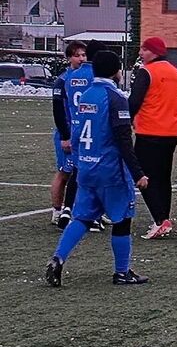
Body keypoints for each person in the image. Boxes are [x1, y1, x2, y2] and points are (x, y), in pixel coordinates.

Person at [44, 51, 150, 287]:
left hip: (86, 168)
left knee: (81, 218)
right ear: (116, 71)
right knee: (122, 219)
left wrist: (80, 161)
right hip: (110, 170)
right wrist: (138, 173)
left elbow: (76, 131)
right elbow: (123, 139)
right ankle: (122, 272)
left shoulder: (87, 95)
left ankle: (58, 258)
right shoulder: (116, 97)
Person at [129, 36, 177, 239]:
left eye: (144, 49)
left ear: (154, 52)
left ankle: (161, 220)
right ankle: (163, 218)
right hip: (171, 131)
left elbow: (134, 101)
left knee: (142, 176)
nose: (140, 53)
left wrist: (127, 120)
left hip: (149, 130)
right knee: (163, 177)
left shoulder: (147, 72)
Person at [57, 39, 106, 230]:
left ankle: (67, 209)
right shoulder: (97, 76)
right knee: (96, 172)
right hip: (94, 129)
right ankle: (92, 216)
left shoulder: (71, 77)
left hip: (76, 129)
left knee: (78, 171)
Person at [50, 41, 86, 225]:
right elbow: (57, 111)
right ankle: (57, 211)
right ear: (69, 58)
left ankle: (86, 211)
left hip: (83, 134)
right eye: (77, 55)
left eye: (84, 55)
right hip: (68, 133)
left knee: (83, 173)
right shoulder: (63, 80)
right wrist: (65, 136)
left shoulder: (88, 77)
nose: (81, 59)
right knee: (65, 173)